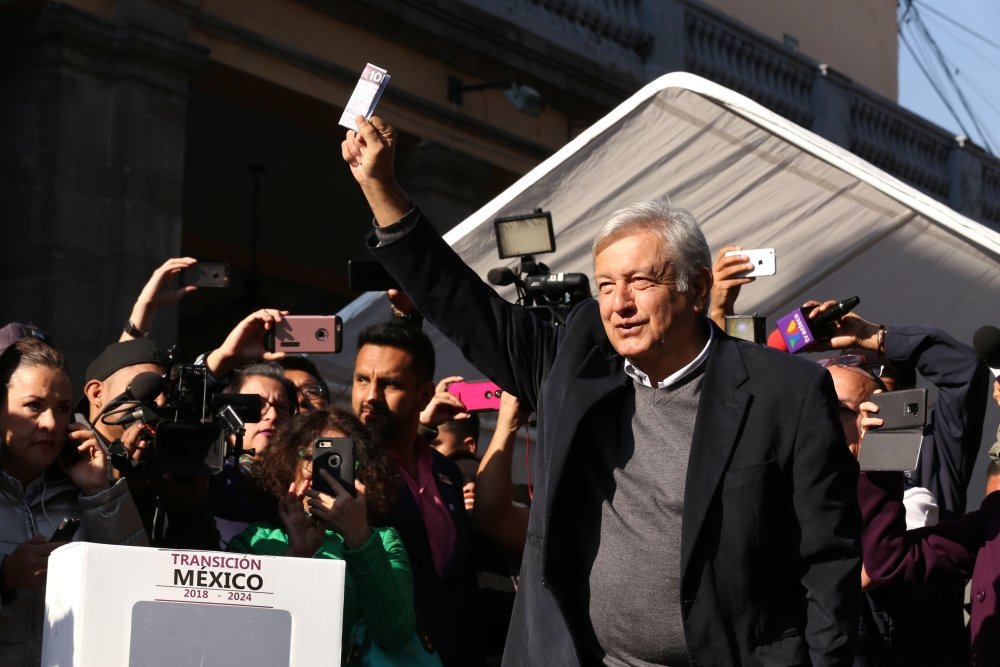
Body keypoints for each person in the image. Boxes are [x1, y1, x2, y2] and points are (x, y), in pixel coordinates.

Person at [343, 115, 861, 665]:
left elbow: (827, 562)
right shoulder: (577, 361)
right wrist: (381, 187)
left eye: (641, 281)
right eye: (607, 285)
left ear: (697, 288)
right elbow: (464, 304)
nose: (620, 303)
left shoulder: (787, 392)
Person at [0, 337, 148, 666]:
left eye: (63, 408)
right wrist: (5, 577)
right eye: (33, 405)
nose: (51, 424)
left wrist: (100, 490)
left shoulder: (87, 492)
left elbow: (138, 591)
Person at [228, 408, 416, 663]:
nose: (324, 472)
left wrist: (359, 537)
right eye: (313, 458)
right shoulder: (255, 540)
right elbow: (238, 629)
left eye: (338, 460)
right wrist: (296, 557)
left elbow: (395, 632)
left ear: (362, 473)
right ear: (289, 463)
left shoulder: (381, 540)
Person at [352, 321, 483, 667]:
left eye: (389, 384)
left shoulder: (446, 472)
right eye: (362, 379)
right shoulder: (346, 471)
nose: (370, 397)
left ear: (424, 395)